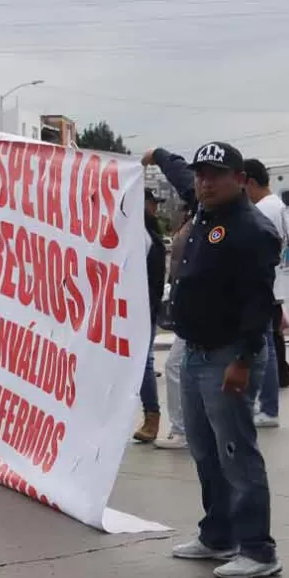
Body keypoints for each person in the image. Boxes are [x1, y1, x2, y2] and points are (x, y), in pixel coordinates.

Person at [168, 141, 281, 578]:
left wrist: (244, 359)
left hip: (228, 355)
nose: (204, 181)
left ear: (240, 179)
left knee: (237, 455)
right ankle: (218, 535)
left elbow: (258, 303)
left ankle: (258, 549)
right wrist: (158, 155)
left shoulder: (250, 229)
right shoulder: (205, 214)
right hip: (196, 354)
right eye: (200, 174)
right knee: (205, 452)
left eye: (215, 174)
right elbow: (179, 174)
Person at [143, 147, 199, 450]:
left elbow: (184, 179)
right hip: (189, 309)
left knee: (177, 366)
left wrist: (161, 156)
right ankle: (188, 427)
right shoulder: (198, 213)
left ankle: (182, 429)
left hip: (200, 311)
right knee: (183, 368)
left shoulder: (209, 212)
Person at [244, 159, 289, 428]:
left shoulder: (263, 210)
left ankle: (268, 408)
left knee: (266, 348)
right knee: (269, 346)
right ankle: (267, 406)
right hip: (277, 284)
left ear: (250, 182)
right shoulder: (279, 206)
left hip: (265, 286)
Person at [134, 188, 167, 442]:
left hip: (142, 307)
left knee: (142, 364)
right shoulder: (147, 232)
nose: (155, 207)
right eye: (152, 202)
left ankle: (152, 416)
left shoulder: (144, 235)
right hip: (143, 306)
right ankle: (150, 416)